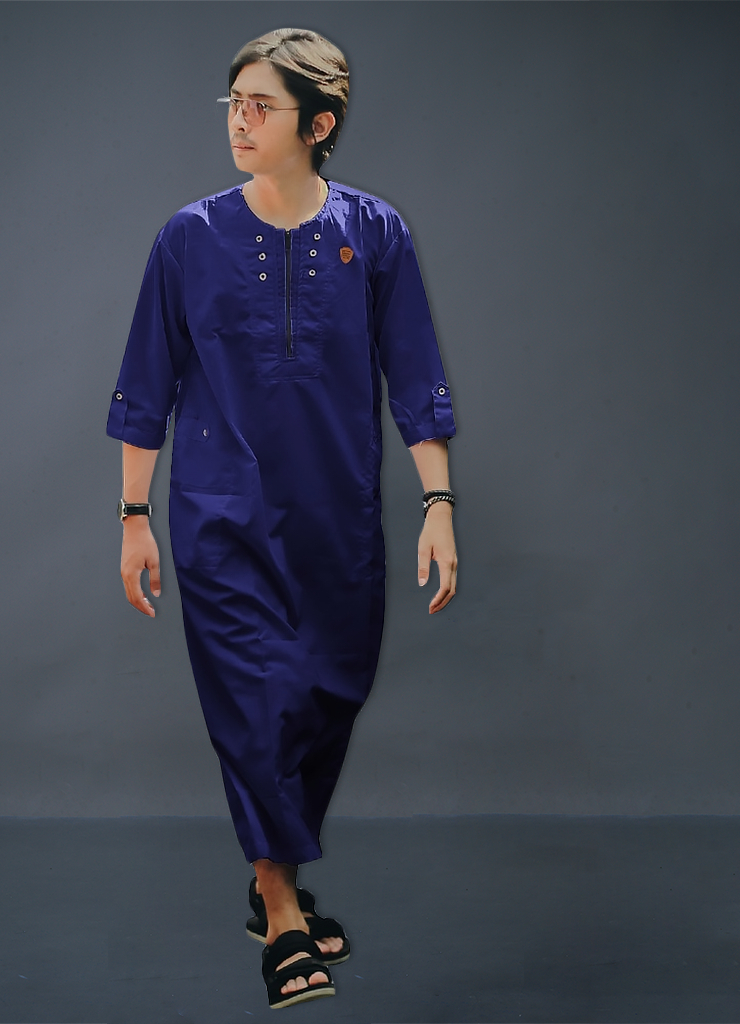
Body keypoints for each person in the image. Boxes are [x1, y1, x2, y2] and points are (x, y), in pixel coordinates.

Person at [107, 27, 458, 1010]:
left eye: (261, 105)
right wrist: (133, 515)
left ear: (320, 124)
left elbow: (416, 375)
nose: (240, 120)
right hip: (220, 515)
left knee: (327, 695)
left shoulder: (374, 234)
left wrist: (437, 503)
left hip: (337, 518)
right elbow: (146, 384)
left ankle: (278, 880)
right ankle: (280, 909)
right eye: (234, 103)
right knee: (255, 706)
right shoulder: (189, 238)